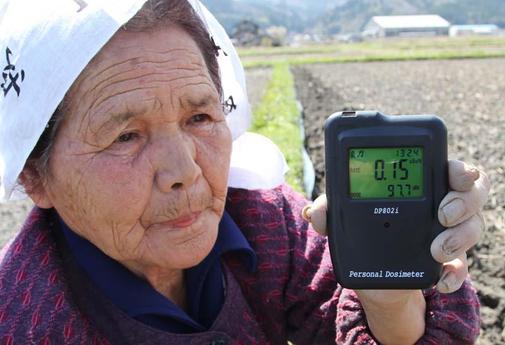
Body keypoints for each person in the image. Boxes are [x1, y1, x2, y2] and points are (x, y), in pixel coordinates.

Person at [0, 0, 489, 344]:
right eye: (125, 136)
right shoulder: (20, 319)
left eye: (200, 118)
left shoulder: (267, 223)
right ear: (34, 176)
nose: (184, 171)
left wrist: (390, 299)